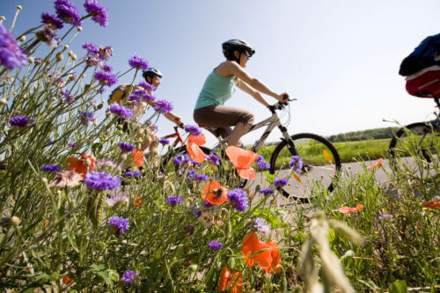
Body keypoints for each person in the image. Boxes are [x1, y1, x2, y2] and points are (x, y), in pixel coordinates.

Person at [193, 39, 289, 146]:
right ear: (236, 53)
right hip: (206, 111)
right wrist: (277, 96)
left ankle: (223, 158)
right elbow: (253, 82)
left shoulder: (233, 78)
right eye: (247, 54)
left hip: (208, 113)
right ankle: (231, 152)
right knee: (247, 117)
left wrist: (269, 106)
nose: (248, 58)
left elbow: (253, 92)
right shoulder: (229, 65)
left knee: (239, 145)